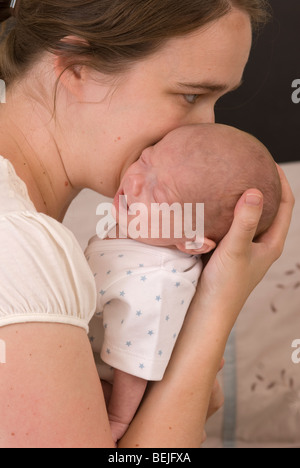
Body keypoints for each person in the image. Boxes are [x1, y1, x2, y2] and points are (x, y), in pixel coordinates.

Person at [0, 0, 294, 448]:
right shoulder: (19, 245)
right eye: (191, 95)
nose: (207, 128)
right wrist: (215, 312)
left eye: (218, 100)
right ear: (78, 68)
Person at [85, 123, 281, 443]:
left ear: (192, 242)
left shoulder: (158, 279)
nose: (134, 181)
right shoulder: (143, 237)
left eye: (158, 193)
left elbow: (137, 361)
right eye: (146, 160)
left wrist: (117, 418)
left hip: (121, 389)